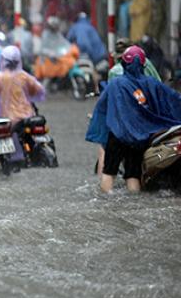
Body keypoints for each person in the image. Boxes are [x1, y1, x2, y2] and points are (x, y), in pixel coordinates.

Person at [86, 45, 181, 193]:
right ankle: (134, 198)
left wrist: (98, 129)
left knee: (109, 173)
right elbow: (172, 100)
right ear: (144, 64)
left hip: (117, 136)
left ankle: (105, 202)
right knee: (133, 175)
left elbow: (101, 109)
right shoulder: (152, 83)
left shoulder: (115, 84)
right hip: (138, 137)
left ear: (123, 63)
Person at [0, 45, 45, 123]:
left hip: (8, 117)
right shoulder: (24, 76)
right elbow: (36, 90)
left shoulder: (0, 77)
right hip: (27, 115)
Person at [34, 16, 79, 81]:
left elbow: (64, 43)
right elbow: (43, 48)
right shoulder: (46, 35)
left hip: (57, 57)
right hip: (47, 60)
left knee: (68, 62)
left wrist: (70, 47)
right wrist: (49, 53)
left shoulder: (57, 34)